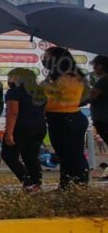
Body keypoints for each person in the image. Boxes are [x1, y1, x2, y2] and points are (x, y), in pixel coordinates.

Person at [41, 47, 90, 188]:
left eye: (47, 57)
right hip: (60, 119)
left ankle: (80, 185)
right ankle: (66, 186)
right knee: (64, 155)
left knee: (74, 155)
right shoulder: (59, 77)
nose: (44, 60)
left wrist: (44, 87)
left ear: (57, 60)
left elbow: (48, 99)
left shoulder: (69, 78)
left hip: (67, 119)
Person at [2, 68, 48, 191]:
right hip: (39, 126)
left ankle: (27, 182)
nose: (8, 79)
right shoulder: (40, 92)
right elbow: (43, 111)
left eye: (10, 77)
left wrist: (9, 133)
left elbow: (13, 113)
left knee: (8, 155)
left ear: (17, 78)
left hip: (21, 127)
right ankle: (36, 184)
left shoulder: (14, 92)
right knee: (31, 156)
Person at [89, 55, 108, 147]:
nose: (94, 68)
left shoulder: (103, 80)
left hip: (103, 120)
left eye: (95, 65)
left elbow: (90, 97)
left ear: (101, 66)